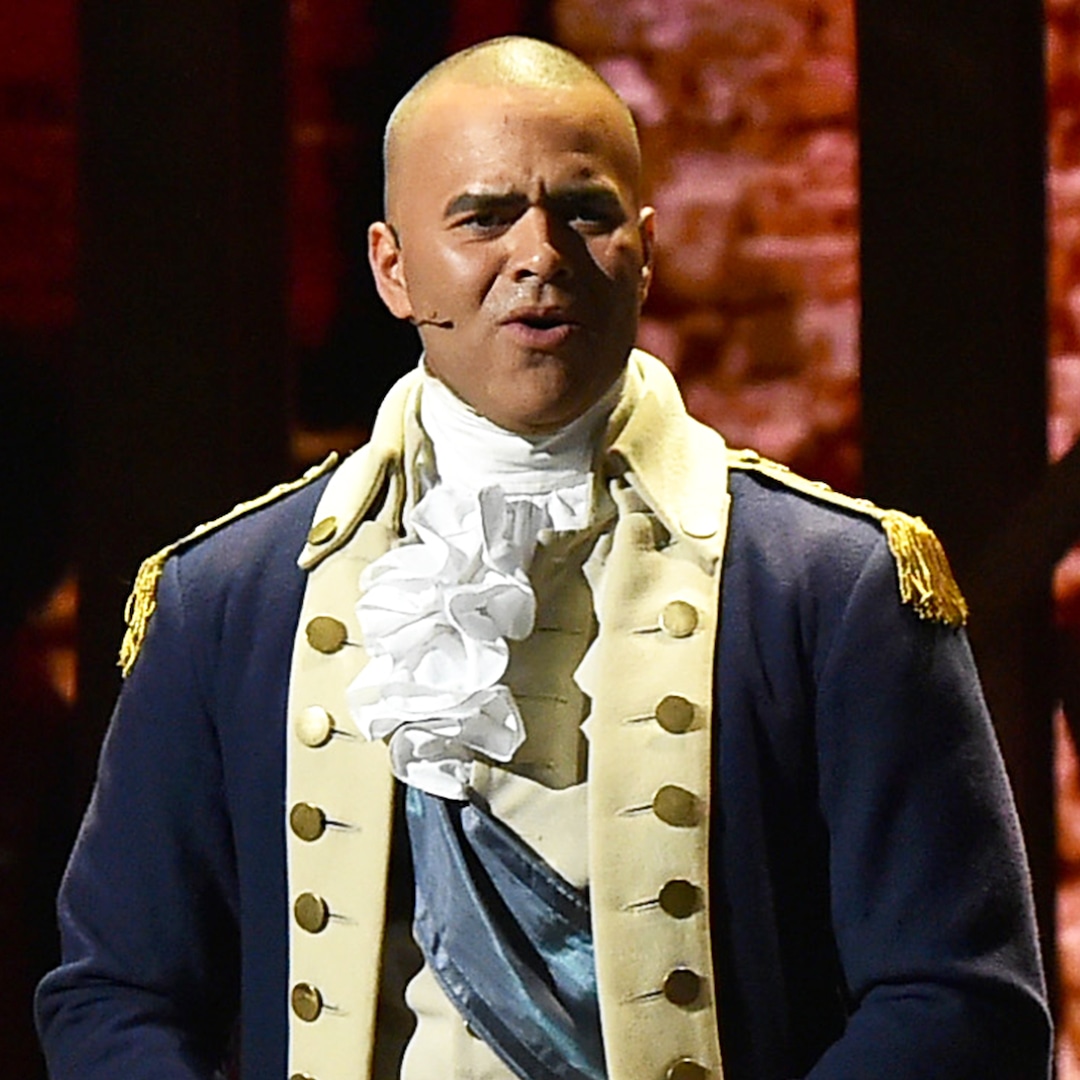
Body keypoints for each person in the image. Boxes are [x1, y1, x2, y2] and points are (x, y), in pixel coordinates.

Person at [36, 35, 1050, 1080]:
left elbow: (960, 1000)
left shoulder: (832, 589)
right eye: (483, 217)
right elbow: (116, 994)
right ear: (391, 268)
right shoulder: (225, 602)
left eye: (585, 212)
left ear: (645, 252)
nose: (540, 255)